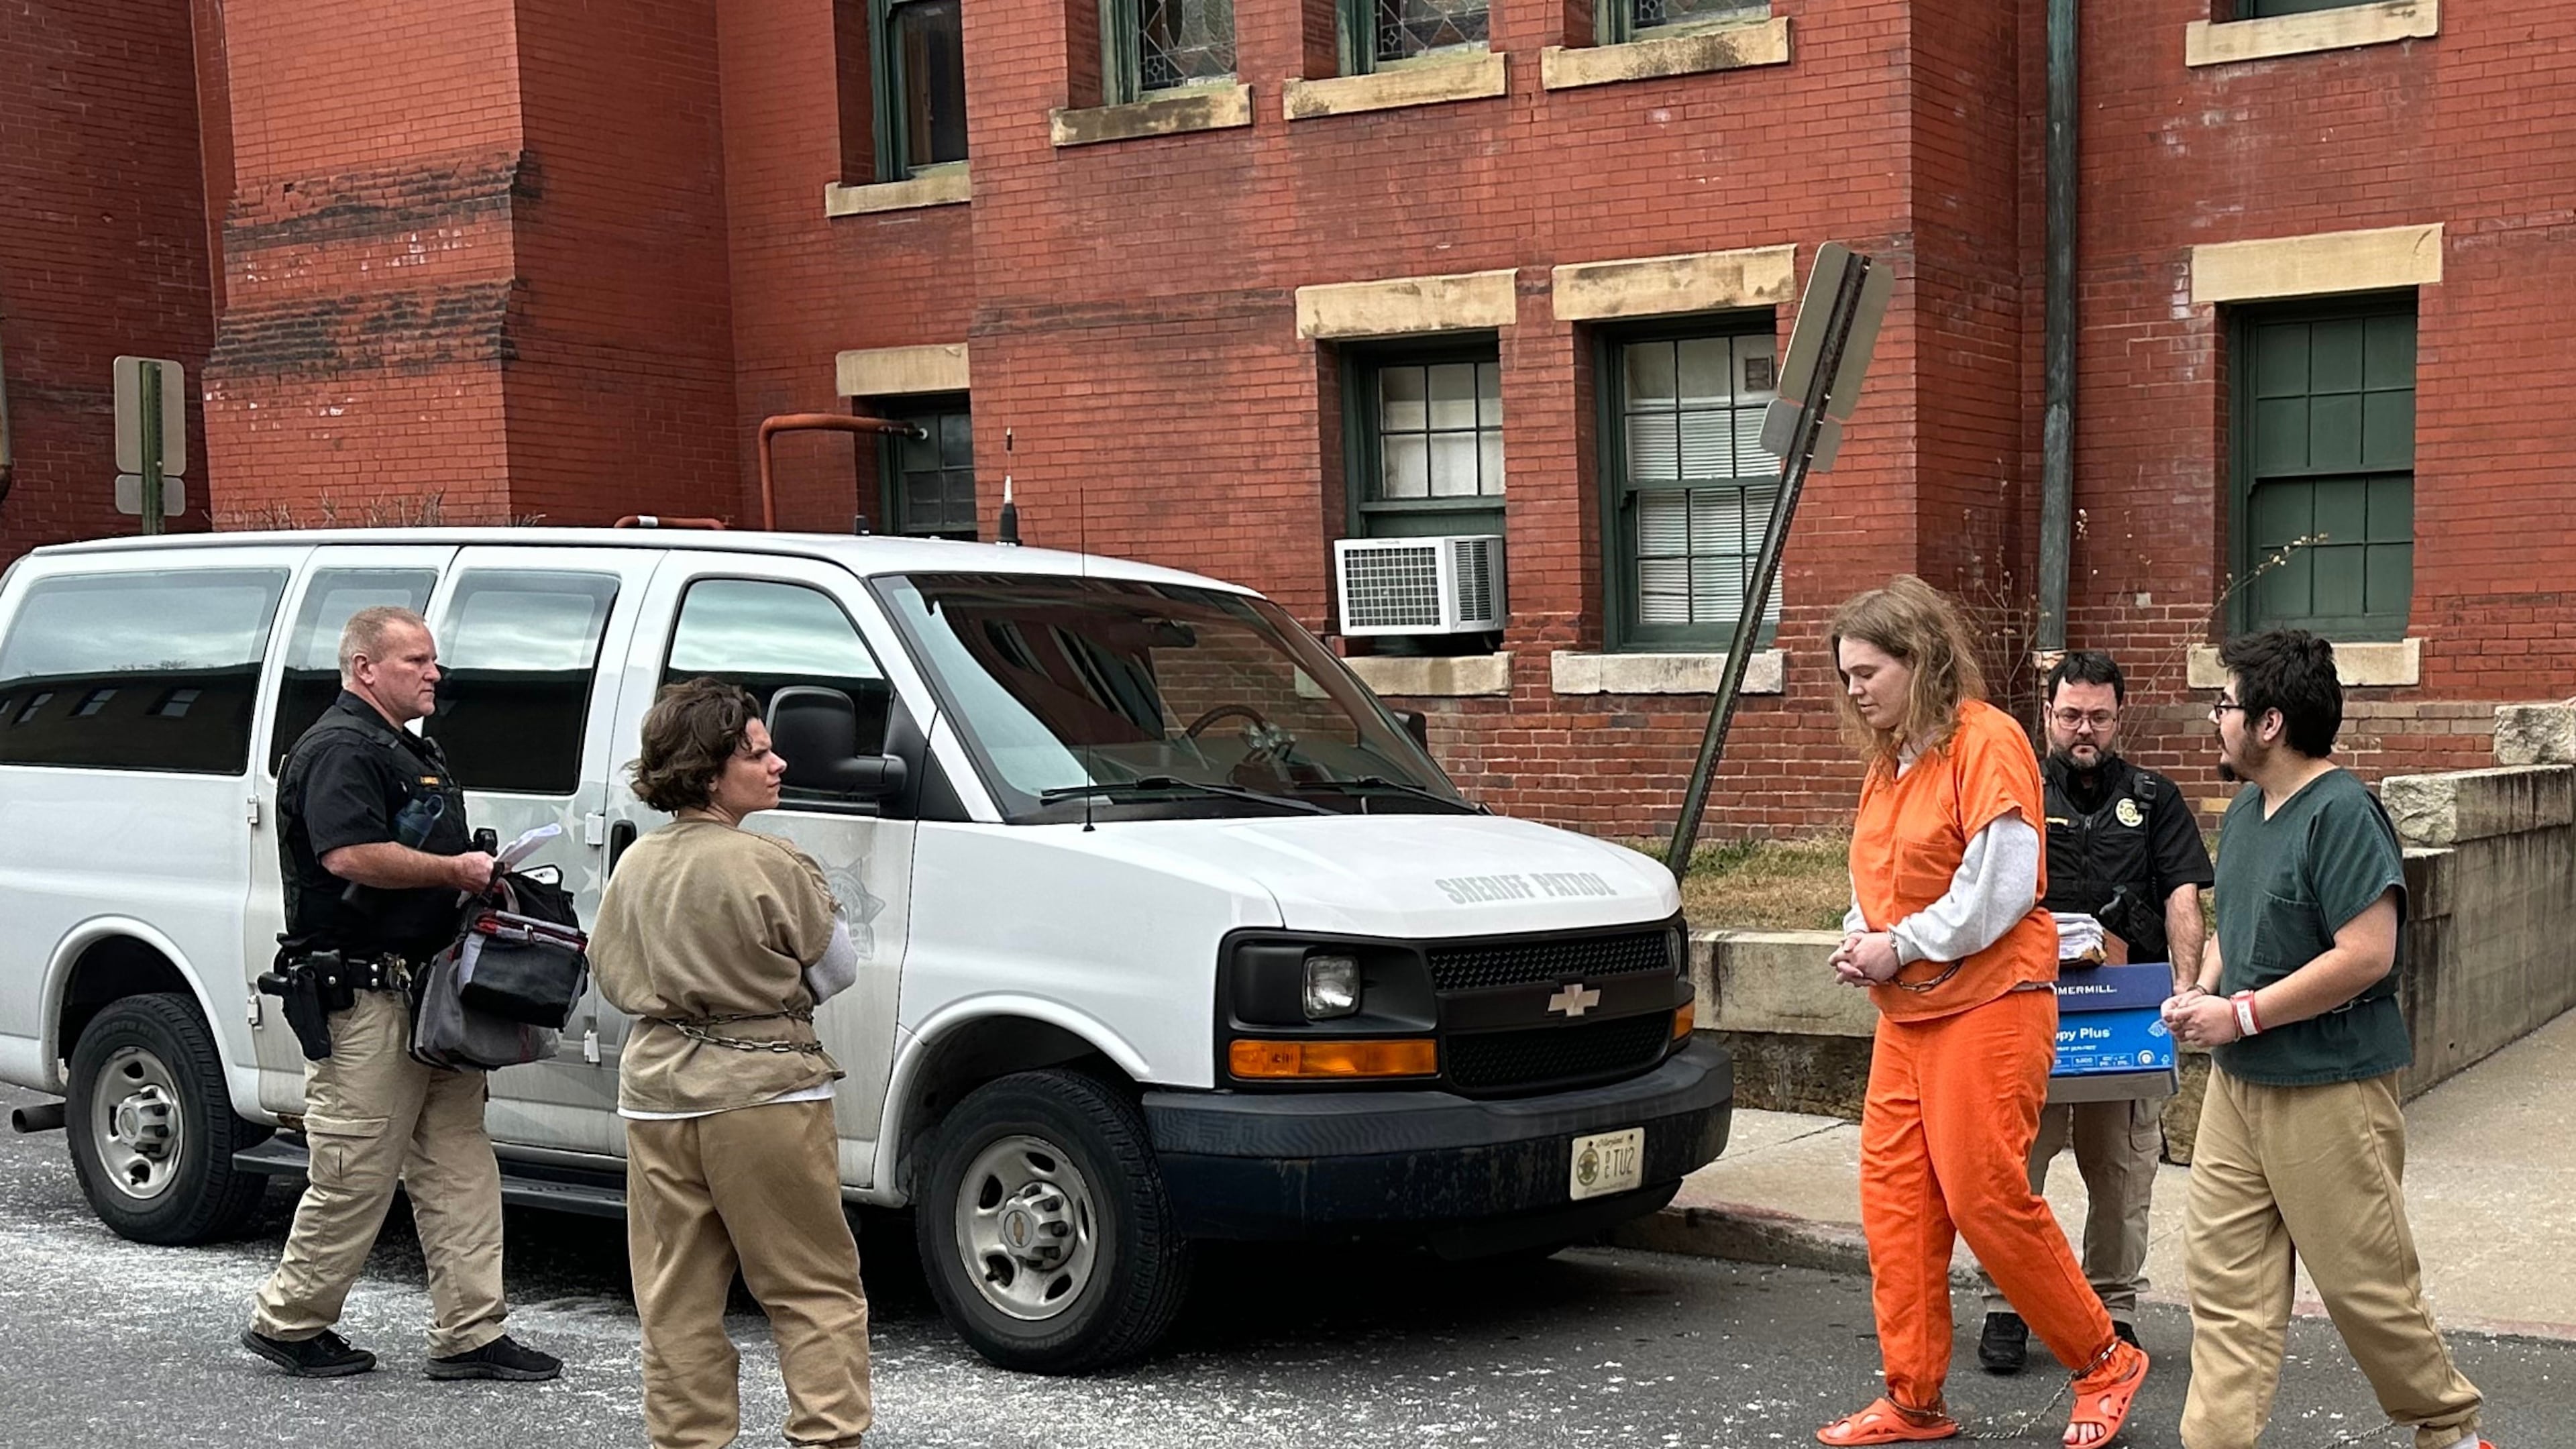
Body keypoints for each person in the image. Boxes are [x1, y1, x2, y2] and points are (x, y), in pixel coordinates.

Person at [1815, 577, 2147, 1449]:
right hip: (1912, 1011)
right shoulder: (1890, 762)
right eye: (1846, 674)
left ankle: (2103, 1359)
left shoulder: (1985, 740)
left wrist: (1899, 944)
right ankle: (1913, 1399)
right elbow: (1872, 880)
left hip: (1991, 1004)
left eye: (1867, 670)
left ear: (1917, 659)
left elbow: (2000, 888)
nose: (1855, 689)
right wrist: (1862, 938)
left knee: (1985, 1196)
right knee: (1896, 1205)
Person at [2163, 631, 2495, 1449]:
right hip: (2242, 1087)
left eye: (2226, 706)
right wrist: (2201, 989)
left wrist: (2239, 1015)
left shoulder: (2343, 812)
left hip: (2329, 1084)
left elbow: (2366, 955)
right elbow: (2239, 929)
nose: (2216, 721)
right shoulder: (2246, 809)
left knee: (2365, 1286)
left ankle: (2449, 1427)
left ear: (2269, 722)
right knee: (2224, 1279)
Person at [244, 606, 561, 1382]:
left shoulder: (403, 746)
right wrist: (456, 872)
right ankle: (290, 1322)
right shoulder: (339, 750)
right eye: (416, 660)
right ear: (364, 670)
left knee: (458, 1165)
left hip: (430, 993)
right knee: (354, 1169)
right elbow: (349, 854)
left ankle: (473, 1334)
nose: (434, 672)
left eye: (434, 659)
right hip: (366, 996)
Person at [590, 680, 871, 1449]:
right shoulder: (772, 861)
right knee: (811, 1287)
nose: (777, 763)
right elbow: (836, 971)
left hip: (657, 1094)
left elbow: (609, 974)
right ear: (710, 771)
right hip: (766, 1091)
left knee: (675, 1297)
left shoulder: (636, 864)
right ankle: (827, 1438)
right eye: (758, 753)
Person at [1977, 649, 2213, 1373]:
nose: (2086, 730)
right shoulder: (2009, 787)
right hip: (2026, 1011)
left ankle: (2114, 1308)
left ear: (2120, 717)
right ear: (2046, 713)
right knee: (2016, 1167)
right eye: (2071, 715)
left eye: (2100, 717)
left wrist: (2186, 990)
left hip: (2122, 1011)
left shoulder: (2154, 796)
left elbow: (2183, 896)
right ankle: (2006, 1304)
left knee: (2120, 1170)